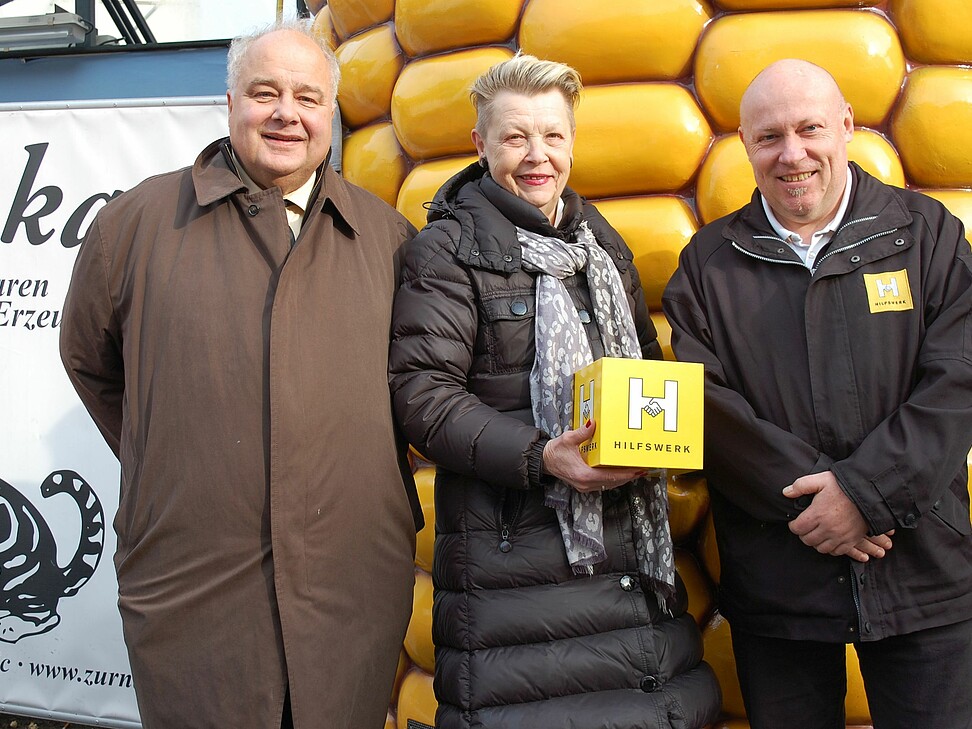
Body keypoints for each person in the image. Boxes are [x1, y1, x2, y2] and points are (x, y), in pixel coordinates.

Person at [59, 20, 421, 729]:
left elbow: (417, 387)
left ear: (331, 116)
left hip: (349, 584)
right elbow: (89, 360)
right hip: (196, 590)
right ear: (229, 104)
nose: (288, 113)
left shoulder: (387, 238)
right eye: (265, 92)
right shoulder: (136, 225)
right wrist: (171, 453)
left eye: (309, 98)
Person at [389, 54, 721, 729]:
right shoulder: (446, 252)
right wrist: (543, 455)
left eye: (553, 136)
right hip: (517, 567)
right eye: (514, 137)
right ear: (480, 145)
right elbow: (422, 395)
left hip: (628, 556)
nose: (537, 155)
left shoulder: (602, 246)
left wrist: (666, 438)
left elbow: (646, 371)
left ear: (572, 141)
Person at [663, 58, 972, 729]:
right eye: (769, 137)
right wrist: (824, 504)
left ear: (846, 127)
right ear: (745, 147)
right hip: (780, 578)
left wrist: (866, 495)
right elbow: (709, 411)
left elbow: (958, 381)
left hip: (923, 568)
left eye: (809, 129)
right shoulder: (708, 267)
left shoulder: (929, 237)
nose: (792, 153)